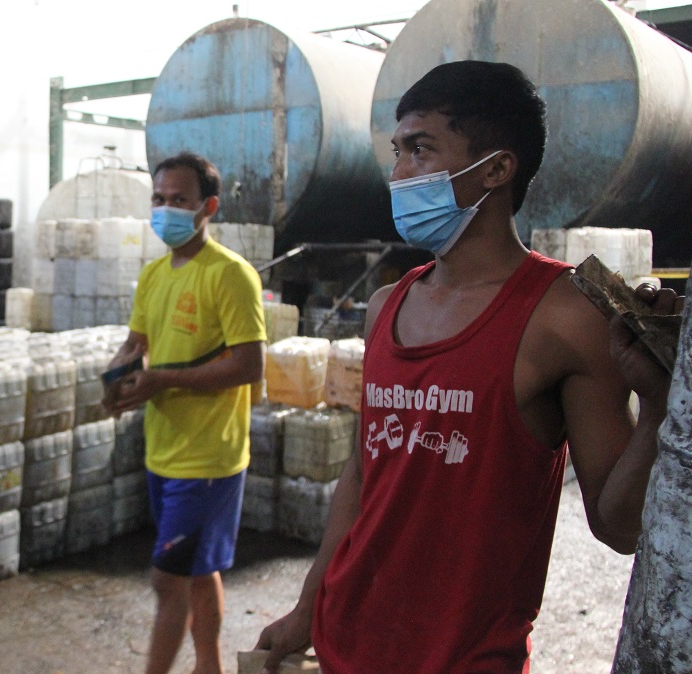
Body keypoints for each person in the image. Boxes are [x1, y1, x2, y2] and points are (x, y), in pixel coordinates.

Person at [254, 60, 677, 674]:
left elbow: (621, 528)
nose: (398, 174)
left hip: (466, 657)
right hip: (349, 639)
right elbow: (363, 471)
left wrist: (660, 407)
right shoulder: (385, 307)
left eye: (421, 150)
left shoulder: (564, 317)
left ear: (497, 169)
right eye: (397, 151)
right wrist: (307, 607)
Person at [103, 152, 266, 674]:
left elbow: (248, 365)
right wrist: (116, 379)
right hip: (165, 447)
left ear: (207, 207)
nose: (165, 210)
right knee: (197, 569)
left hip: (209, 456)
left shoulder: (231, 276)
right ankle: (209, 665)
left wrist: (160, 380)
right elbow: (136, 345)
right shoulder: (153, 276)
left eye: (179, 201)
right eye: (159, 199)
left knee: (166, 578)